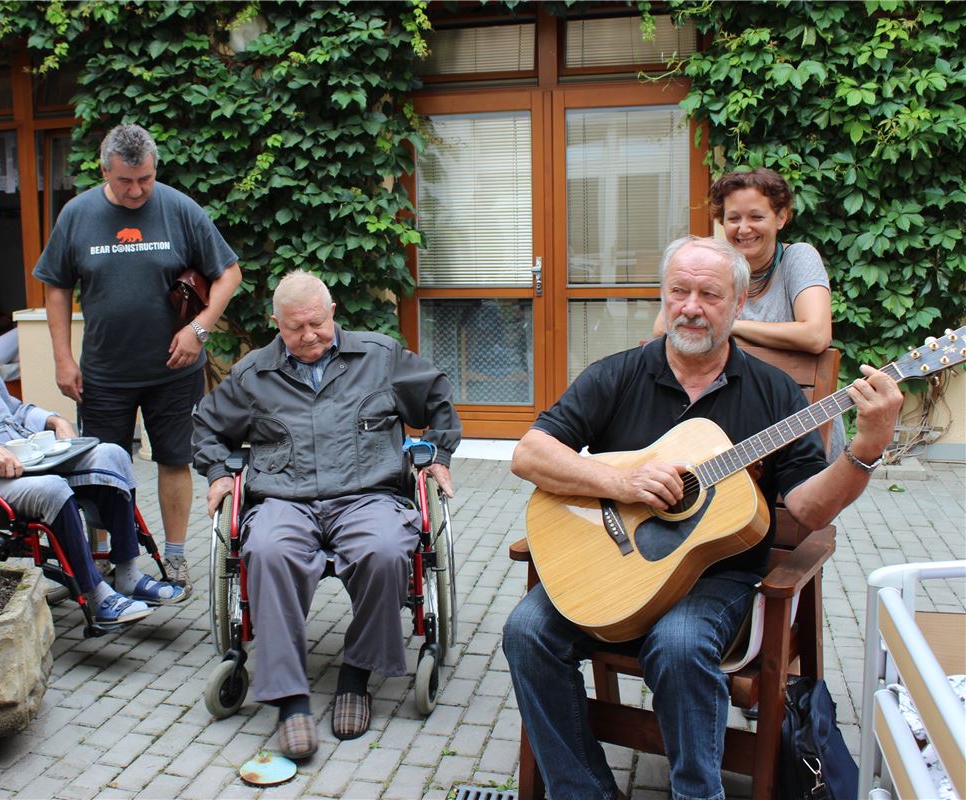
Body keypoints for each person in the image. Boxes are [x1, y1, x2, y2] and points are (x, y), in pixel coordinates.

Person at [503, 237, 902, 800]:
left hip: (717, 579)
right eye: (679, 292)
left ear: (739, 304)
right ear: (663, 299)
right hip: (612, 565)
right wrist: (620, 483)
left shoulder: (773, 392)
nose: (691, 307)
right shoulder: (618, 374)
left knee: (680, 643)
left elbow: (809, 510)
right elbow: (529, 454)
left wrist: (865, 448)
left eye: (709, 295)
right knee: (526, 631)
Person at [192, 271, 461, 759]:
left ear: (332, 311)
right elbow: (207, 427)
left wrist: (438, 456)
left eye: (316, 323)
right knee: (266, 550)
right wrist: (217, 474)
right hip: (284, 500)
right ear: (276, 323)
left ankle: (356, 676)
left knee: (385, 549)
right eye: (295, 328)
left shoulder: (380, 357)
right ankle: (290, 701)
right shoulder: (253, 374)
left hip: (367, 496)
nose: (309, 335)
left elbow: (438, 398)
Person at [0, 277, 186, 629]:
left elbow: (11, 408)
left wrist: (51, 419)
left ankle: (128, 574)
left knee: (111, 454)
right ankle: (96, 594)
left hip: (22, 455)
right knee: (52, 488)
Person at [34, 123, 242, 598]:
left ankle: (175, 557)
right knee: (102, 469)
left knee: (174, 459)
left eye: (145, 179)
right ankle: (105, 558)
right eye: (125, 180)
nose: (136, 190)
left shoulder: (179, 208)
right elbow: (56, 288)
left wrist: (199, 328)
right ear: (104, 170)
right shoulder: (78, 214)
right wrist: (63, 358)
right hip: (103, 373)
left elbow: (229, 273)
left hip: (174, 369)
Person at [653, 167, 845, 456]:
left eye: (756, 217)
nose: (744, 229)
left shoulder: (798, 258)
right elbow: (662, 329)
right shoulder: (715, 266)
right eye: (734, 218)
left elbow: (816, 334)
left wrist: (730, 327)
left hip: (797, 423)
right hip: (733, 429)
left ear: (781, 217)